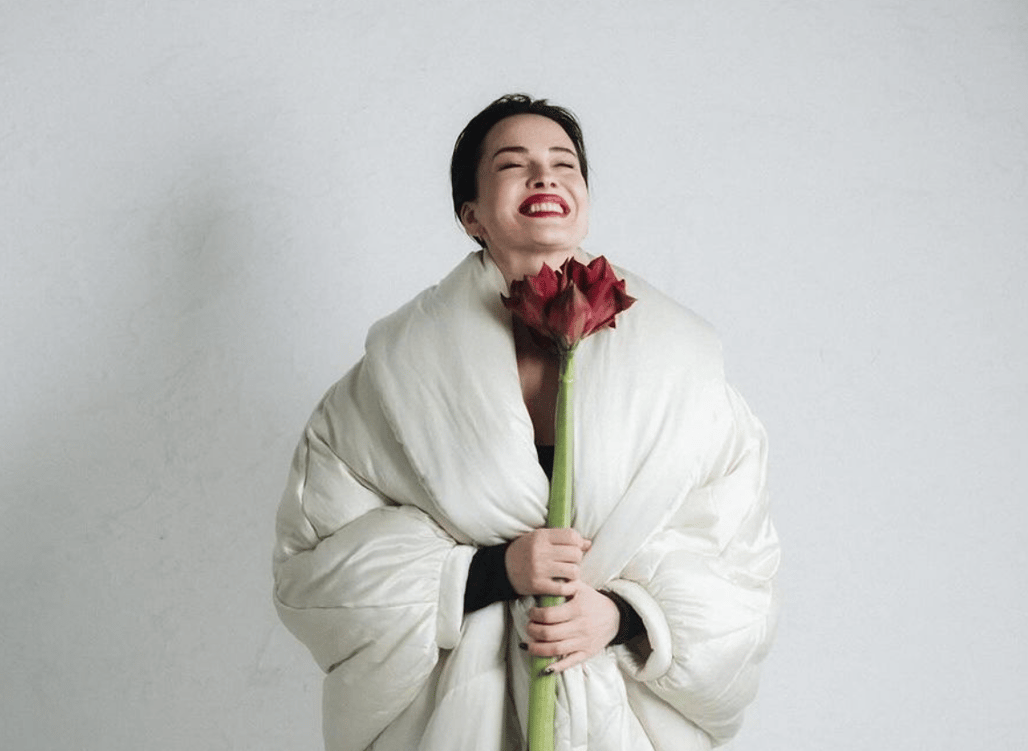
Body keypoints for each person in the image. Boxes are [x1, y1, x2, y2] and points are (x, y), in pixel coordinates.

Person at [272, 94, 779, 751]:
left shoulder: (680, 368)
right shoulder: (394, 378)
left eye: (564, 165)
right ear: (471, 214)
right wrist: (488, 571)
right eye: (513, 165)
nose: (545, 177)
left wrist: (624, 615)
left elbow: (739, 563)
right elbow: (311, 571)